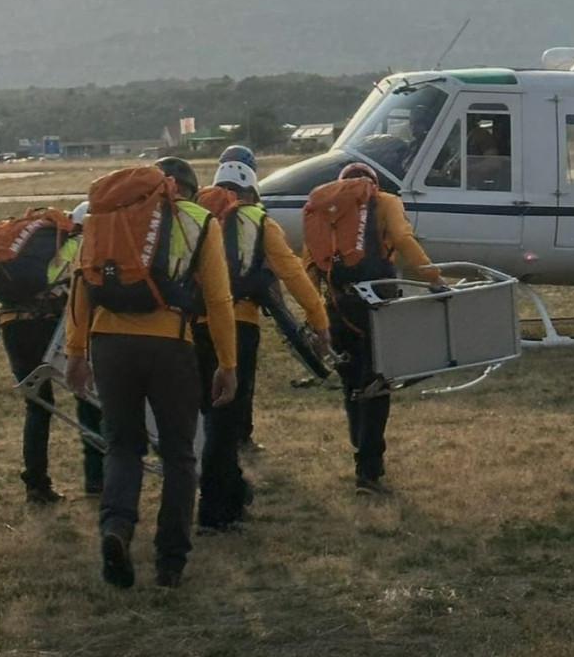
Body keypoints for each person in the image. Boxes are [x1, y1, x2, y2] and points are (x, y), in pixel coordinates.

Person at [65, 157, 238, 589]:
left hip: (108, 344)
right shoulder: (199, 220)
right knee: (179, 455)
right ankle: (169, 562)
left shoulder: (105, 217)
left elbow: (80, 285)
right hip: (169, 344)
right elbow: (219, 300)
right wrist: (227, 363)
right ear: (185, 187)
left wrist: (76, 352)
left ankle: (116, 528)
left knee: (122, 446)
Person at [192, 146, 330, 531]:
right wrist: (319, 320)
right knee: (225, 421)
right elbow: (293, 274)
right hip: (239, 325)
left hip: (193, 327)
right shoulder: (259, 221)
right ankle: (214, 512)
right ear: (253, 191)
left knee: (206, 415)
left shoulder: (192, 214)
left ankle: (234, 491)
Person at [303, 161, 442, 496]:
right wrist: (434, 278)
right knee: (378, 382)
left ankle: (360, 446)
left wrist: (314, 314)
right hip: (377, 304)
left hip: (337, 306)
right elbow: (404, 239)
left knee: (351, 381)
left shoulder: (323, 210)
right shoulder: (386, 201)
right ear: (373, 183)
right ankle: (368, 469)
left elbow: (309, 263)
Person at [0, 201, 104, 504]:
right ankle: (97, 479)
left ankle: (37, 484)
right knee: (88, 398)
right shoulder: (78, 247)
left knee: (38, 407)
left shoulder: (38, 248)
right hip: (47, 325)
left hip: (12, 326)